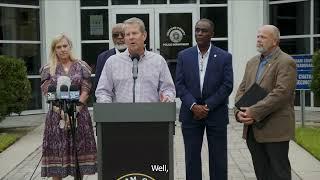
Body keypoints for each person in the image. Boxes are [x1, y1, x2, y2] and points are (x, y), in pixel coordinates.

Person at [234, 25, 297, 180]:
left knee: (279, 173)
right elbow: (241, 90)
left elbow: (281, 94)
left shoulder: (286, 62)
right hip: (252, 130)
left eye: (263, 37)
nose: (258, 40)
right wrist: (238, 112)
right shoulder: (252, 62)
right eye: (258, 36)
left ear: (275, 41)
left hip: (275, 130)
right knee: (261, 173)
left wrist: (253, 112)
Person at [175, 18, 233, 180]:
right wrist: (193, 105)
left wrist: (207, 106)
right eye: (197, 30)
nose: (199, 33)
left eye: (204, 31)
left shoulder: (224, 57)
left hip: (216, 114)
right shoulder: (184, 56)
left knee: (218, 158)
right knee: (191, 158)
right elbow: (179, 85)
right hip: (190, 114)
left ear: (212, 34)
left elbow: (227, 85)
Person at [40, 33, 97, 179]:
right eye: (58, 47)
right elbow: (48, 93)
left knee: (79, 159)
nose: (62, 49)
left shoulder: (81, 66)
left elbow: (86, 89)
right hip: (56, 117)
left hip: (79, 114)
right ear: (54, 49)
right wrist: (62, 113)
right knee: (57, 161)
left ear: (70, 47)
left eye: (65, 46)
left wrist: (75, 109)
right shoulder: (48, 69)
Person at [95, 17, 175, 103]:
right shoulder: (112, 62)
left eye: (134, 33)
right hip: (120, 115)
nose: (131, 37)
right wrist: (107, 105)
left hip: (151, 114)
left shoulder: (158, 61)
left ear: (144, 35)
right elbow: (103, 91)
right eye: (127, 34)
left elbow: (168, 89)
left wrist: (167, 98)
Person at [94, 23, 126, 90]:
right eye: (115, 35)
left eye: (123, 34)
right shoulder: (103, 57)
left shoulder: (136, 55)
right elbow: (98, 84)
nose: (119, 37)